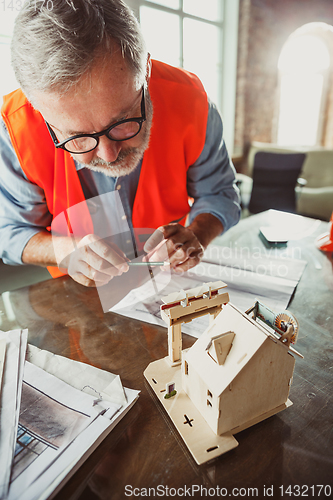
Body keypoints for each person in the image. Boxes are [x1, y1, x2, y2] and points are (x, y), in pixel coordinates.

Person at [0, 0, 240, 287]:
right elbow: (9, 230)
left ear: (145, 72)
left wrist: (198, 234)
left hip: (171, 282)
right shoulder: (14, 129)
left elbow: (220, 193)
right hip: (78, 303)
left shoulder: (191, 102)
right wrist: (63, 251)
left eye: (122, 122)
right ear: (39, 109)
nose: (109, 155)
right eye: (78, 138)